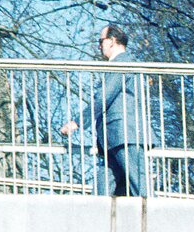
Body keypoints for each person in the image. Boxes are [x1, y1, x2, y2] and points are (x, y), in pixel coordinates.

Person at [59, 24, 148, 197]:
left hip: (124, 135)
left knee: (140, 187)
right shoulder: (118, 64)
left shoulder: (122, 62)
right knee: (102, 191)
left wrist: (77, 122)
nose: (99, 46)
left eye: (101, 41)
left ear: (112, 41)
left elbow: (103, 98)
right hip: (112, 139)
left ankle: (153, 219)